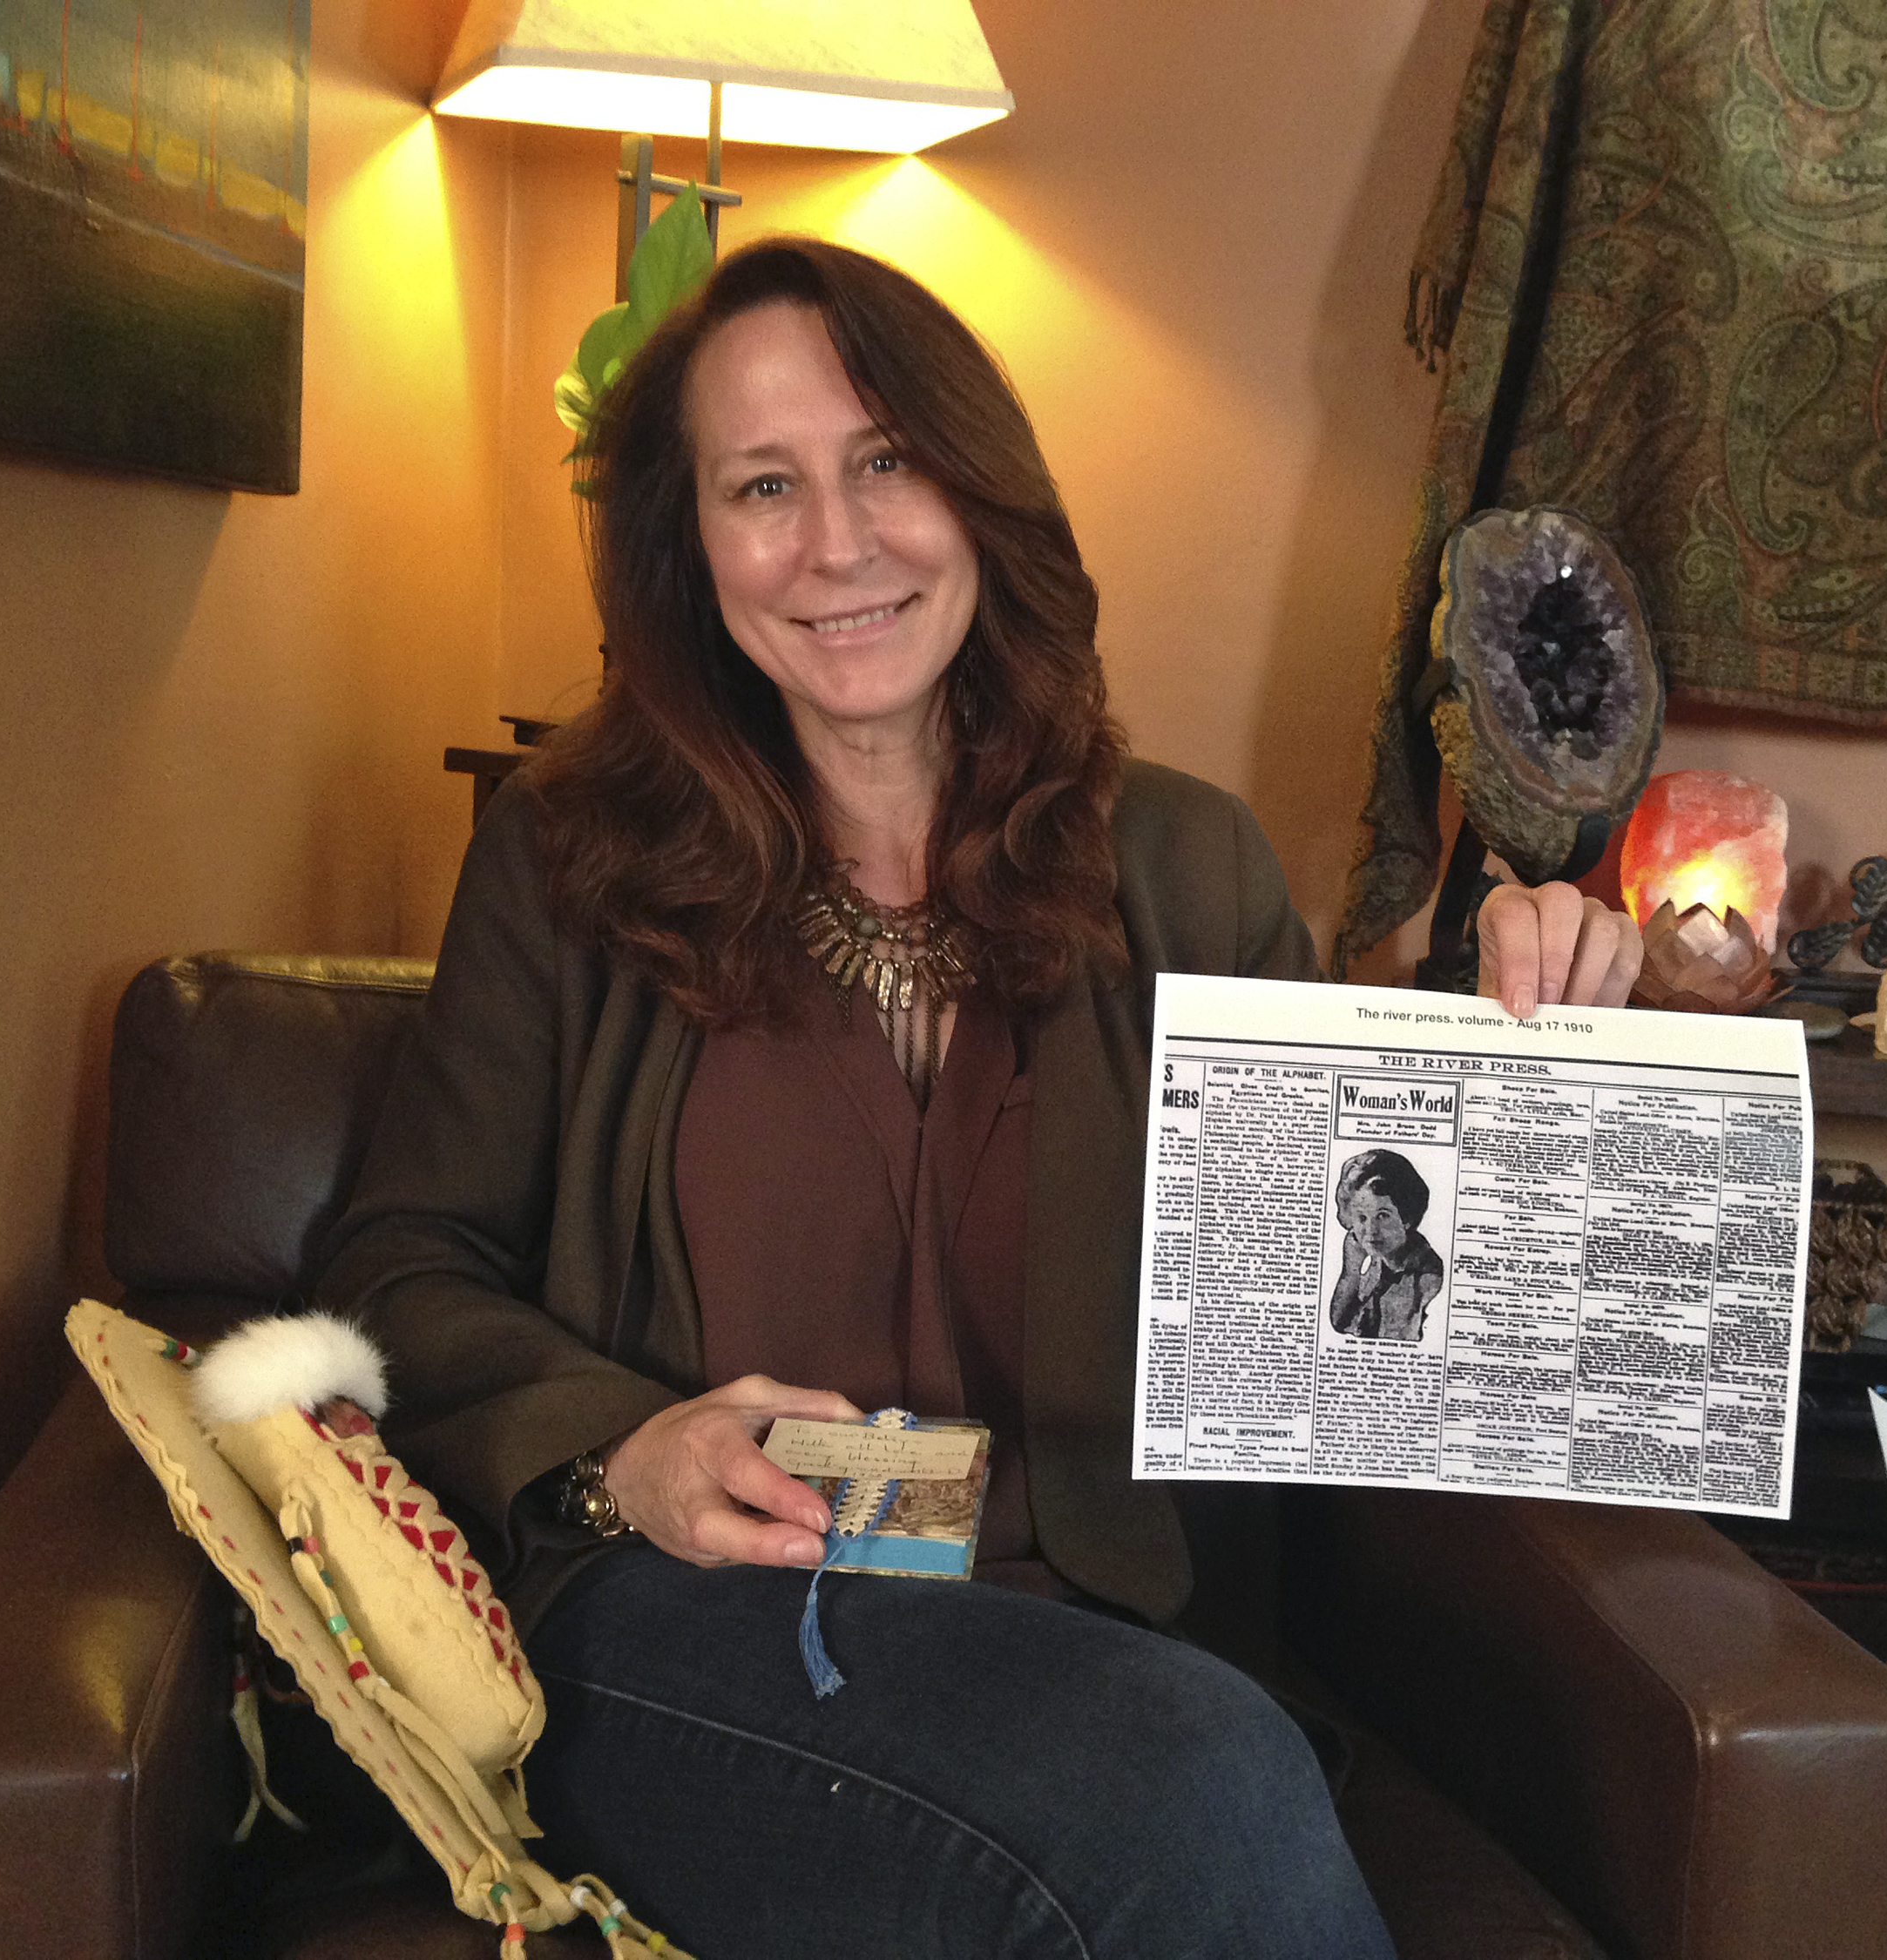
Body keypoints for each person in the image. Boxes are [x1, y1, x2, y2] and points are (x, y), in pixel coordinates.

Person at [314, 236, 1640, 1957]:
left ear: (981, 495)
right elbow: (395, 1267)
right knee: (1195, 1779)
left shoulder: (1183, 862)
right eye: (762, 486)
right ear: (688, 545)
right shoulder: (566, 863)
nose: (839, 543)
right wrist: (627, 1450)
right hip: (710, 1631)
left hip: (1110, 1644)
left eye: (887, 463)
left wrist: (1542, 1046)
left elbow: (1364, 1309)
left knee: (1173, 1773)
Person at [1328, 1149, 1444, 1343]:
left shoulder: (1423, 1275)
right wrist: (1351, 1271)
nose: (1371, 1231)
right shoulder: (1379, 1261)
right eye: (1362, 1218)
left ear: (1406, 1217)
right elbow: (1340, 1324)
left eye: (1383, 1216)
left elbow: (1391, 1339)